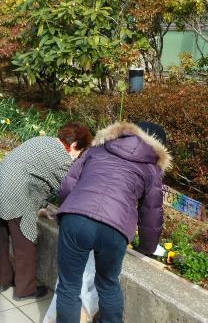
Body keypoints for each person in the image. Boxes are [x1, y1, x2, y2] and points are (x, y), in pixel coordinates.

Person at [54, 121, 171, 323]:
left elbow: (67, 185)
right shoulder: (152, 169)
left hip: (75, 217)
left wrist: (67, 212)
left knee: (68, 286)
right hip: (115, 229)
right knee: (108, 284)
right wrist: (147, 247)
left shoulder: (97, 149)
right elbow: (150, 213)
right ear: (157, 145)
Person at [0, 122, 93, 300]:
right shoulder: (63, 160)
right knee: (25, 243)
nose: (77, 158)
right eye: (80, 152)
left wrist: (40, 208)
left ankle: (3, 280)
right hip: (14, 192)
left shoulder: (42, 140)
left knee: (0, 236)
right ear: (73, 146)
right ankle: (25, 290)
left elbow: (35, 175)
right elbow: (67, 190)